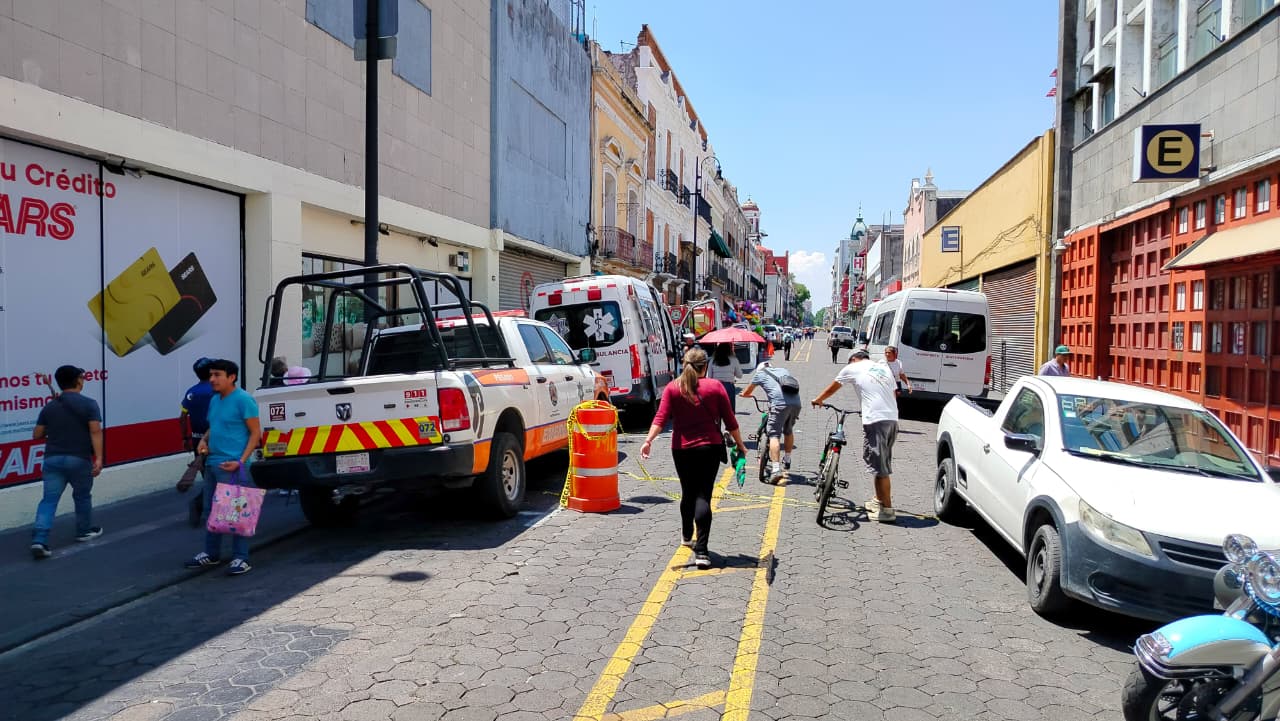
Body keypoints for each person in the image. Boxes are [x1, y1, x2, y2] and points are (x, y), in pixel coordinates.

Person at [639, 348, 746, 570]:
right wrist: (741, 445)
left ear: (684, 364)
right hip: (710, 448)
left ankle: (687, 535)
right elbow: (731, 421)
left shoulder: (673, 388)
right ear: (705, 366)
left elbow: (660, 417)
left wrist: (648, 441)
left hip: (682, 449)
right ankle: (702, 552)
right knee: (703, 496)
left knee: (688, 492)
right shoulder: (715, 387)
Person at [185, 359, 261, 576]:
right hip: (212, 463)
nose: (212, 379)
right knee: (211, 510)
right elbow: (214, 426)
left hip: (233, 465)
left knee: (237, 511)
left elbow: (256, 433)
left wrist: (241, 461)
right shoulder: (215, 400)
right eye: (211, 375)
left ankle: (241, 558)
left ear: (232, 377)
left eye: (217, 375)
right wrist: (204, 440)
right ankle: (211, 553)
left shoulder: (244, 400)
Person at [811, 348, 900, 523]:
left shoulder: (852, 367)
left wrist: (818, 399)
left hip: (876, 420)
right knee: (881, 462)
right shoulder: (883, 368)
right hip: (892, 419)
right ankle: (878, 500)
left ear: (853, 359)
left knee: (880, 469)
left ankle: (887, 511)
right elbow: (892, 394)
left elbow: (833, 387)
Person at [29, 365, 104, 559]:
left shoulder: (50, 406)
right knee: (82, 496)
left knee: (48, 500)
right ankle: (83, 531)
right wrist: (99, 458)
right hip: (78, 459)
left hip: (52, 459)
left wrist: (55, 427)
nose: (83, 380)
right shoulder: (89, 404)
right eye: (82, 377)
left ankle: (39, 540)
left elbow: (37, 434)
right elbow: (95, 431)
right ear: (78, 380)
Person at [740, 360, 801, 483]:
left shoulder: (759, 374)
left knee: (774, 435)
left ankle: (776, 470)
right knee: (788, 431)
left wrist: (744, 394)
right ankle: (787, 459)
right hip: (796, 403)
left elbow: (747, 392)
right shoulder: (783, 370)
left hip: (779, 404)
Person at [179, 357, 216, 527]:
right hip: (214, 439)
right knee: (218, 477)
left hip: (196, 440)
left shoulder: (191, 392)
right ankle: (199, 505)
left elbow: (182, 418)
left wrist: (185, 438)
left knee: (208, 475)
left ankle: (207, 508)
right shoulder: (216, 390)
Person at [707, 343, 742, 414]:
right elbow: (739, 375)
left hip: (716, 387)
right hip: (729, 386)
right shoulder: (734, 360)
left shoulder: (712, 360)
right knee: (730, 410)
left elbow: (709, 377)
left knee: (717, 410)